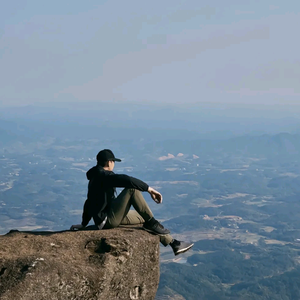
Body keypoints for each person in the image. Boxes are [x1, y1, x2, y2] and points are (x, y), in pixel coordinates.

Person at [70, 149, 193, 256]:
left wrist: (83, 223)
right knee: (132, 190)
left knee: (144, 217)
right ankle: (153, 223)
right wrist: (149, 189)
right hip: (107, 220)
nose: (113, 165)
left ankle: (173, 243)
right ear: (109, 162)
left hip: (110, 214)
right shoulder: (104, 177)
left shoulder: (96, 176)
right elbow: (127, 180)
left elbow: (89, 202)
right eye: (113, 162)